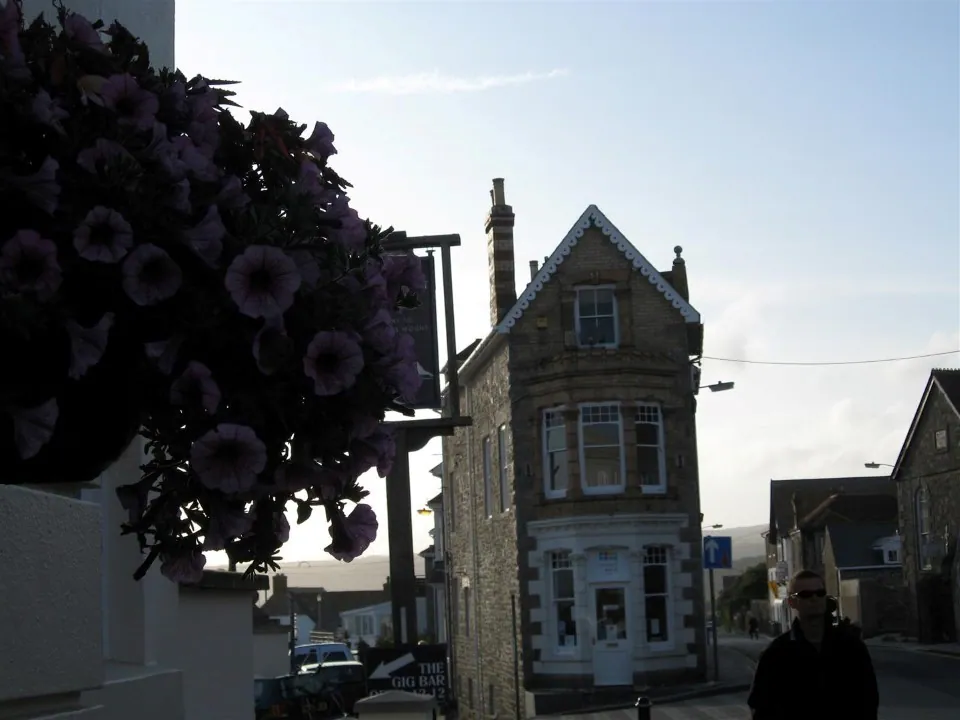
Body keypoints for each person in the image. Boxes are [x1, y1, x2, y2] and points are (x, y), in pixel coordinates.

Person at [747, 569, 879, 720]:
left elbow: (869, 699)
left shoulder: (851, 647)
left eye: (820, 593)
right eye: (805, 595)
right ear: (792, 602)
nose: (814, 598)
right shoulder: (776, 654)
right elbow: (761, 708)